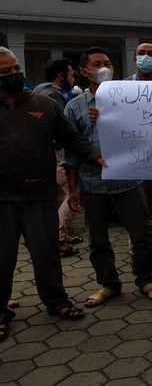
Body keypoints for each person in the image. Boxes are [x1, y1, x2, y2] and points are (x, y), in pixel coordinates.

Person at [0, 47, 104, 341]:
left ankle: (56, 300)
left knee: (46, 253)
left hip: (40, 196)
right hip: (2, 199)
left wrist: (95, 156)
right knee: (2, 258)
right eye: (5, 72)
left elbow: (71, 139)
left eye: (15, 68)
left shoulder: (44, 104)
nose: (13, 75)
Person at [63, 47, 152, 307]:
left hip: (129, 181)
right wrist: (72, 191)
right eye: (96, 64)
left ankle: (145, 279)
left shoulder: (132, 99)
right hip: (92, 184)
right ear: (85, 72)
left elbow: (148, 130)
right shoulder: (74, 107)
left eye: (107, 63)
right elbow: (70, 152)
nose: (103, 68)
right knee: (98, 240)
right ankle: (108, 284)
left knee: (142, 234)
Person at [124, 42, 152, 265]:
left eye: (151, 54)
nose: (146, 57)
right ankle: (139, 249)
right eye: (141, 53)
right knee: (139, 210)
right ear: (134, 59)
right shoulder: (119, 90)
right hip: (135, 159)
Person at [33, 58, 81, 257]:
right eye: (71, 74)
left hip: (42, 153)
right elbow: (62, 129)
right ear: (62, 76)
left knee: (58, 196)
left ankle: (60, 236)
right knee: (71, 194)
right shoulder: (53, 95)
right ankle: (60, 240)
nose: (73, 78)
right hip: (55, 152)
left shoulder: (38, 91)